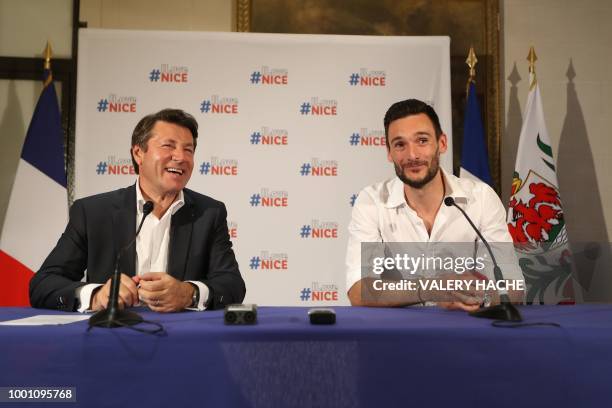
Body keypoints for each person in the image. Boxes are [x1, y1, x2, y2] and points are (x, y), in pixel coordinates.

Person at [30, 108, 245, 312]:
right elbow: (43, 285)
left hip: (183, 341)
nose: (180, 157)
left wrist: (189, 293)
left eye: (188, 149)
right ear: (138, 153)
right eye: (168, 146)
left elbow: (232, 285)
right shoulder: (94, 212)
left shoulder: (209, 213)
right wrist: (96, 296)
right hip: (112, 339)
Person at [345, 99, 524, 311]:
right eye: (400, 144)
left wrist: (476, 297)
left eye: (422, 140)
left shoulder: (482, 198)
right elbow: (358, 290)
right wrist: (433, 288)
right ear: (389, 152)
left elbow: (513, 287)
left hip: (466, 331)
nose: (412, 155)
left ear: (442, 143)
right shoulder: (372, 201)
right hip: (396, 335)